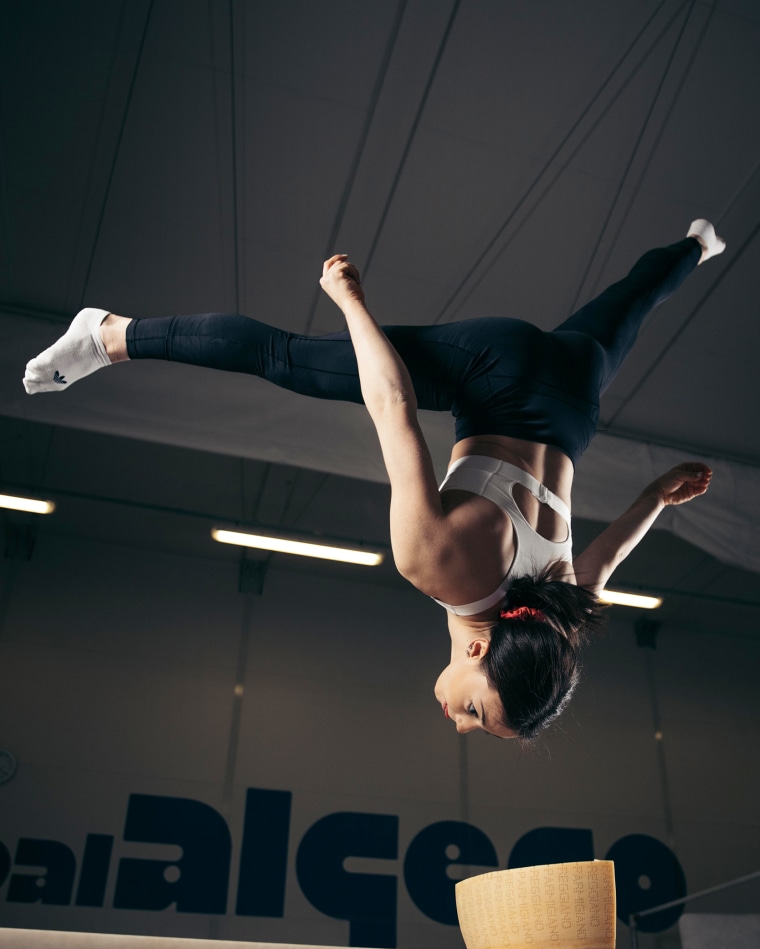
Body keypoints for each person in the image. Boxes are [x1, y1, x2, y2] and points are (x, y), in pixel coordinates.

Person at [23, 220, 725, 740]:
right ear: (478, 650)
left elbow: (603, 566)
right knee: (284, 357)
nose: (459, 723)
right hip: (496, 372)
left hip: (574, 398)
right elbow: (393, 407)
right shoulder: (440, 565)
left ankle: (696, 244)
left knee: (632, 304)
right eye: (478, 711)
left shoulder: (557, 611)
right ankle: (109, 334)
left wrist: (657, 498)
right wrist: (351, 302)